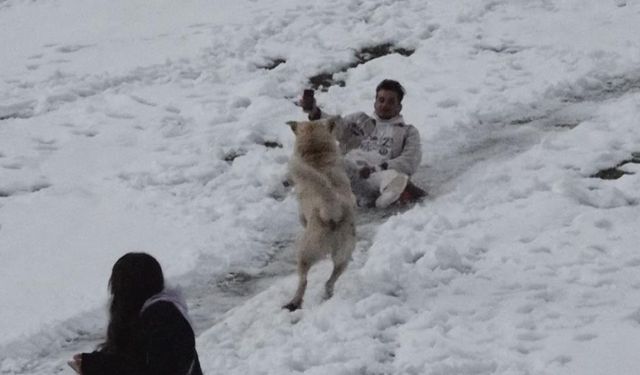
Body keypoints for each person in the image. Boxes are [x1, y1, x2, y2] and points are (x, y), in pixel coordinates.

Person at [69, 252, 203, 375]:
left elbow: (151, 368)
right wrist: (94, 362)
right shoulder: (148, 314)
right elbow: (134, 358)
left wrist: (96, 366)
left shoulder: (163, 317)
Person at [301, 79, 426, 208]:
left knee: (390, 177)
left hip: (377, 176)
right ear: (375, 102)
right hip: (349, 172)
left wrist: (379, 167)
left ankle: (388, 195)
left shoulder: (408, 131)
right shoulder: (359, 120)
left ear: (399, 107)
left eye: (391, 101)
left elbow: (409, 160)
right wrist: (315, 112)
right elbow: (337, 126)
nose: (384, 105)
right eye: (381, 100)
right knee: (329, 161)